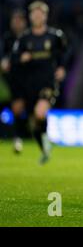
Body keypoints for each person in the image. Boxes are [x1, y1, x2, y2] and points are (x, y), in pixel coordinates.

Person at [11, 1, 69, 164]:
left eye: (40, 13)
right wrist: (20, 58)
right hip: (28, 84)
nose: (37, 16)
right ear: (30, 17)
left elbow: (66, 54)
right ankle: (45, 145)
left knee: (40, 112)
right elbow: (13, 58)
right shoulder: (24, 38)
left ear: (45, 16)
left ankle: (44, 143)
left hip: (48, 83)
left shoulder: (55, 36)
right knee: (34, 123)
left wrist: (62, 68)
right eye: (34, 14)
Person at [1, 9, 28, 153]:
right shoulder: (6, 39)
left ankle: (20, 138)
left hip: (25, 81)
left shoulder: (29, 39)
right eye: (14, 20)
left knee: (21, 110)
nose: (17, 23)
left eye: (19, 20)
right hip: (6, 82)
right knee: (15, 108)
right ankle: (17, 138)